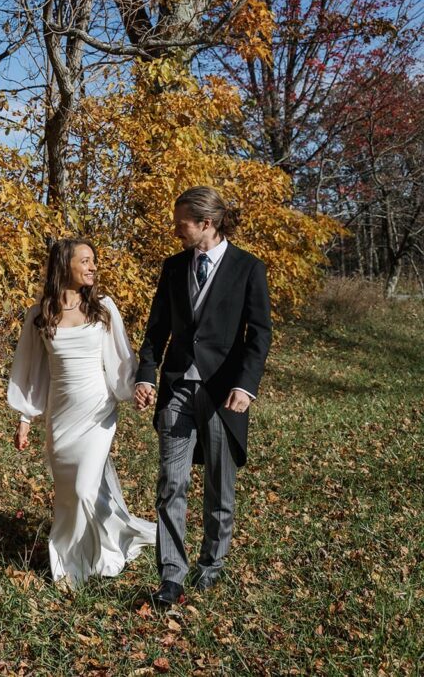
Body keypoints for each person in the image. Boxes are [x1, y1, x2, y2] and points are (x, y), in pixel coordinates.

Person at [134, 186, 272, 607]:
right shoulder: (173, 268)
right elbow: (157, 330)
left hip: (223, 395)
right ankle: (171, 576)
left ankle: (211, 565)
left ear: (206, 224)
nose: (177, 231)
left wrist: (245, 386)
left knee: (219, 486)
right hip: (177, 390)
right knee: (170, 484)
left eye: (182, 225)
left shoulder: (248, 268)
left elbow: (259, 334)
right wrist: (146, 376)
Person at [8, 237, 155, 586]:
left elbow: (120, 357)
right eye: (85, 261)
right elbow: (31, 371)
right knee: (69, 493)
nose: (92, 267)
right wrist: (26, 417)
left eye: (93, 261)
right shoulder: (40, 313)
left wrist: (134, 387)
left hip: (96, 411)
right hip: (61, 415)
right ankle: (77, 554)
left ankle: (84, 563)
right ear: (65, 266)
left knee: (86, 489)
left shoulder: (103, 307)